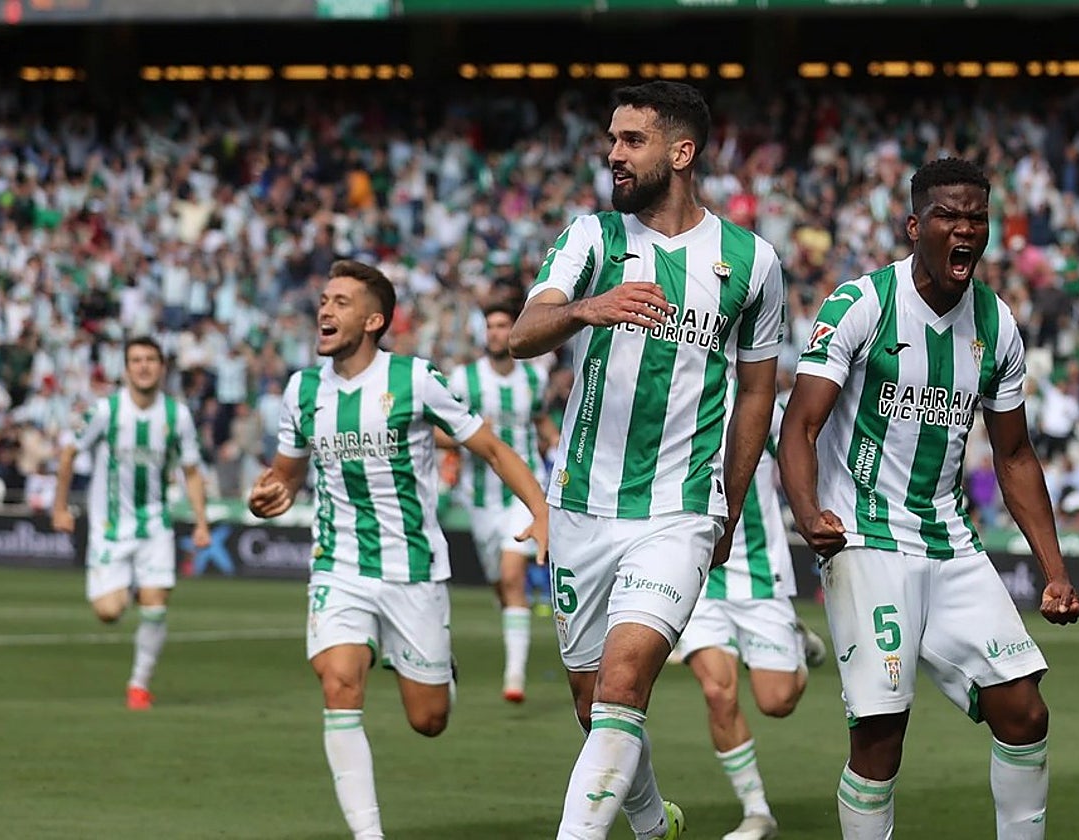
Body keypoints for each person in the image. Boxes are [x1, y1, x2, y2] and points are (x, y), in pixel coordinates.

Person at [509, 81, 784, 840]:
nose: (613, 154)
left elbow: (758, 391)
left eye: (631, 140)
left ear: (681, 152)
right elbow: (522, 332)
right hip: (582, 506)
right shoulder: (592, 238)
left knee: (625, 685)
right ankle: (652, 824)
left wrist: (727, 499)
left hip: (679, 508)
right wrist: (582, 310)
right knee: (592, 699)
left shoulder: (751, 262)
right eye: (612, 139)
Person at [779, 158, 1079, 840]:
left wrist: (1054, 570)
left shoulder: (997, 325)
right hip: (863, 536)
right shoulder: (861, 304)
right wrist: (809, 514)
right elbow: (797, 427)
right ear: (917, 225)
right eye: (950, 214)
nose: (966, 228)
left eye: (977, 216)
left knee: (1025, 712)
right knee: (882, 737)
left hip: (948, 538)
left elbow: (1014, 455)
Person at [247, 259, 548, 840]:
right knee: (339, 683)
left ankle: (442, 674)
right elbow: (284, 474)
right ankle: (369, 834)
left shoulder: (415, 379)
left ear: (374, 319)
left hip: (413, 569)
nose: (325, 310)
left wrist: (541, 512)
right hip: (338, 565)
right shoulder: (301, 390)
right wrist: (271, 492)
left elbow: (490, 446)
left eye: (341, 302)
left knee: (428, 720)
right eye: (324, 300)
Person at [672, 390, 825, 840]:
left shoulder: (761, 406)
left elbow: (801, 455)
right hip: (696, 573)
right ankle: (757, 812)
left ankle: (795, 641)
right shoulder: (675, 394)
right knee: (718, 693)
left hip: (758, 572)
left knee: (776, 701)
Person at [52, 336, 211, 711]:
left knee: (156, 606)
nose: (143, 366)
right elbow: (68, 454)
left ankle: (139, 685)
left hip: (155, 523)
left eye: (151, 360)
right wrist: (60, 507)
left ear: (162, 367)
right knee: (108, 612)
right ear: (125, 369)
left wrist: (202, 521)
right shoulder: (106, 411)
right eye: (136, 360)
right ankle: (134, 587)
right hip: (110, 528)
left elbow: (191, 471)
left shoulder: (178, 415)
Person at [445, 301, 560, 702]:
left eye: (501, 325)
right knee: (500, 584)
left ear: (514, 331)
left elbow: (541, 419)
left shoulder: (534, 377)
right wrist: (469, 435)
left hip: (523, 491)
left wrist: (556, 443)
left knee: (513, 576)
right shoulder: (463, 378)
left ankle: (514, 676)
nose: (495, 332)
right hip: (479, 498)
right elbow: (441, 431)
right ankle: (515, 628)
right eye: (489, 326)